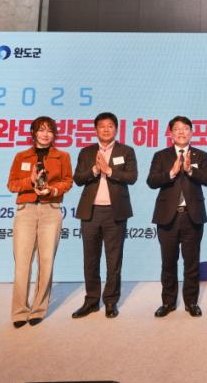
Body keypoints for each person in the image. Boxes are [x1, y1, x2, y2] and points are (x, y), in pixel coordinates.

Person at [7, 116, 73, 327]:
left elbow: (67, 181)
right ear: (33, 133)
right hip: (26, 211)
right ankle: (19, 311)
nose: (45, 134)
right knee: (22, 263)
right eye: (41, 130)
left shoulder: (62, 156)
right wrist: (31, 181)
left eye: (50, 130)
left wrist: (52, 190)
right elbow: (12, 184)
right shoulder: (21, 156)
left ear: (54, 134)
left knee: (46, 262)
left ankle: (38, 309)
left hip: (50, 210)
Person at [72, 112, 138, 319]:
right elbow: (78, 178)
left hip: (115, 212)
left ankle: (110, 301)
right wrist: (94, 170)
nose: (106, 129)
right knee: (90, 259)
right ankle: (91, 300)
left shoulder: (126, 151)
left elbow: (132, 177)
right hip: (90, 212)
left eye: (110, 126)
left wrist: (109, 171)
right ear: (96, 130)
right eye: (102, 126)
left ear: (116, 129)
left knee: (113, 259)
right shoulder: (86, 152)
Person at [147, 116, 207, 318]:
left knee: (191, 262)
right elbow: (151, 181)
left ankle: (191, 302)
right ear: (171, 134)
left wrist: (189, 170)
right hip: (167, 216)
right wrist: (172, 172)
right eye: (177, 129)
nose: (181, 132)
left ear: (191, 133)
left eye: (185, 128)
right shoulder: (161, 156)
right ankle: (168, 302)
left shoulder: (201, 155)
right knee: (168, 262)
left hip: (193, 216)